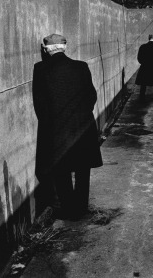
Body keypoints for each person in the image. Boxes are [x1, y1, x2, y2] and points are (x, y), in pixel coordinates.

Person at [32, 33, 103, 220]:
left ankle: (70, 210)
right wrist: (82, 116)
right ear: (65, 47)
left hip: (57, 130)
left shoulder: (40, 69)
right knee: (82, 169)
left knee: (61, 172)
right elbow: (91, 96)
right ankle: (81, 208)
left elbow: (40, 104)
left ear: (47, 49)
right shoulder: (81, 67)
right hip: (83, 127)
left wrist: (51, 125)